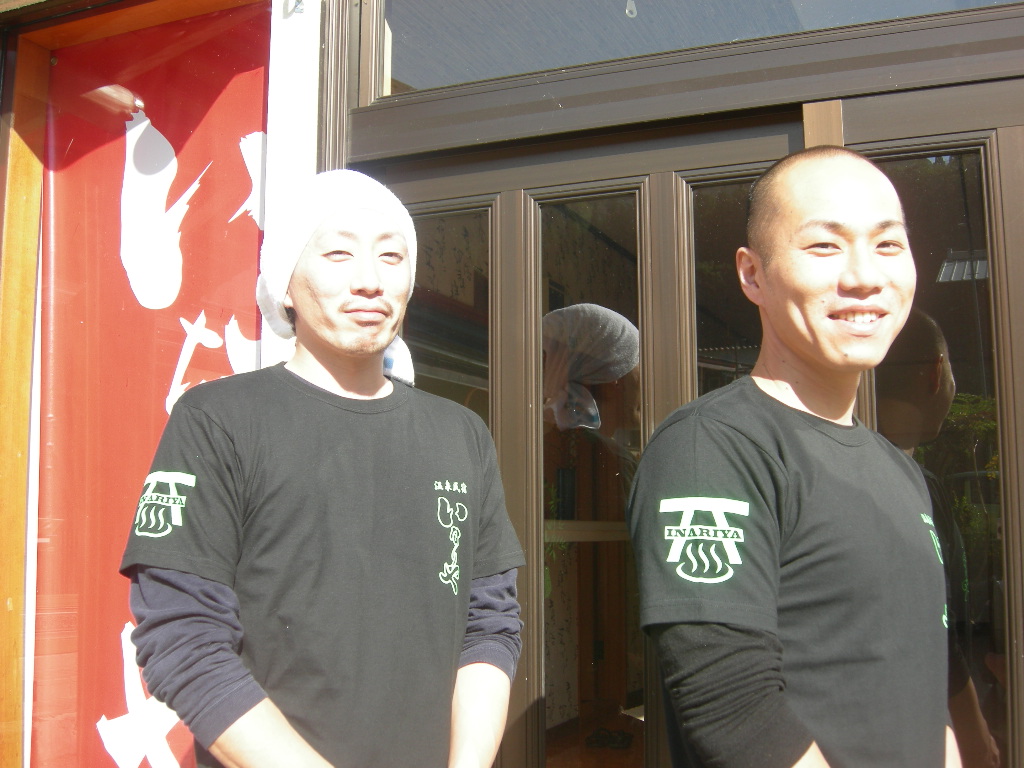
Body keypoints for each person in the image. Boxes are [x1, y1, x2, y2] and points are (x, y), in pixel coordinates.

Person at [120, 169, 526, 768]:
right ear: (285, 285)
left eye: (391, 257)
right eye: (338, 254)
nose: (370, 281)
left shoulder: (460, 434)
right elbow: (182, 638)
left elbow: (490, 621)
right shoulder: (218, 420)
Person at [626, 146, 959, 768]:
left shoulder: (900, 471)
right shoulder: (714, 448)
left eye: (888, 244)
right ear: (753, 274)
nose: (864, 276)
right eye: (825, 246)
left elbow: (918, 681)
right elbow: (732, 707)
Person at [876, 309, 1001, 768]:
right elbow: (928, 618)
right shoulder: (908, 486)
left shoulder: (890, 475)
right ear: (936, 371)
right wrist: (972, 726)